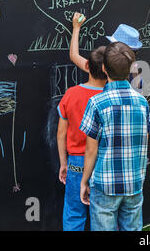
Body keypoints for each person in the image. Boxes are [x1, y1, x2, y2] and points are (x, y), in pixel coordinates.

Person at [79, 42, 150, 231]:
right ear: (130, 69)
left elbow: (90, 150)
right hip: (134, 182)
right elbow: (146, 136)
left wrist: (84, 181)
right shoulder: (142, 102)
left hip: (105, 184)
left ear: (104, 68)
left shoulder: (96, 103)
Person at [56, 44, 107, 230]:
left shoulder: (71, 94)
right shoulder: (109, 96)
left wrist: (64, 163)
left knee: (73, 212)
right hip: (104, 162)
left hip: (76, 162)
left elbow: (61, 133)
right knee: (103, 214)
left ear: (87, 67)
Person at [69, 12, 143, 92]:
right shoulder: (135, 72)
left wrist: (76, 28)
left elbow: (74, 56)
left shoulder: (104, 65)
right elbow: (140, 95)